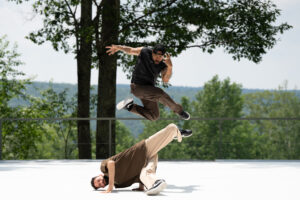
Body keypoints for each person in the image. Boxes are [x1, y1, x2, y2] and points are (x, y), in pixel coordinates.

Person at [90, 123, 192, 195]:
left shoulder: (104, 168)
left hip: (143, 149)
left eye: (98, 181)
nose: (101, 183)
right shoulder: (119, 183)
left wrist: (110, 186)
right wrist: (141, 187)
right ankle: (155, 183)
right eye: (99, 186)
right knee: (145, 174)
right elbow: (136, 175)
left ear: (99, 175)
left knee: (171, 128)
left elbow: (111, 163)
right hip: (146, 160)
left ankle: (175, 131)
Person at [106, 44, 190, 121]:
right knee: (160, 93)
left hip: (149, 91)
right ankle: (179, 111)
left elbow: (165, 80)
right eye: (156, 56)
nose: (158, 58)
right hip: (137, 87)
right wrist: (119, 47)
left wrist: (170, 67)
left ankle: (129, 106)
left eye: (160, 57)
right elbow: (131, 50)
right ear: (152, 52)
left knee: (154, 116)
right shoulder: (145, 51)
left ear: (163, 56)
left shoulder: (163, 65)